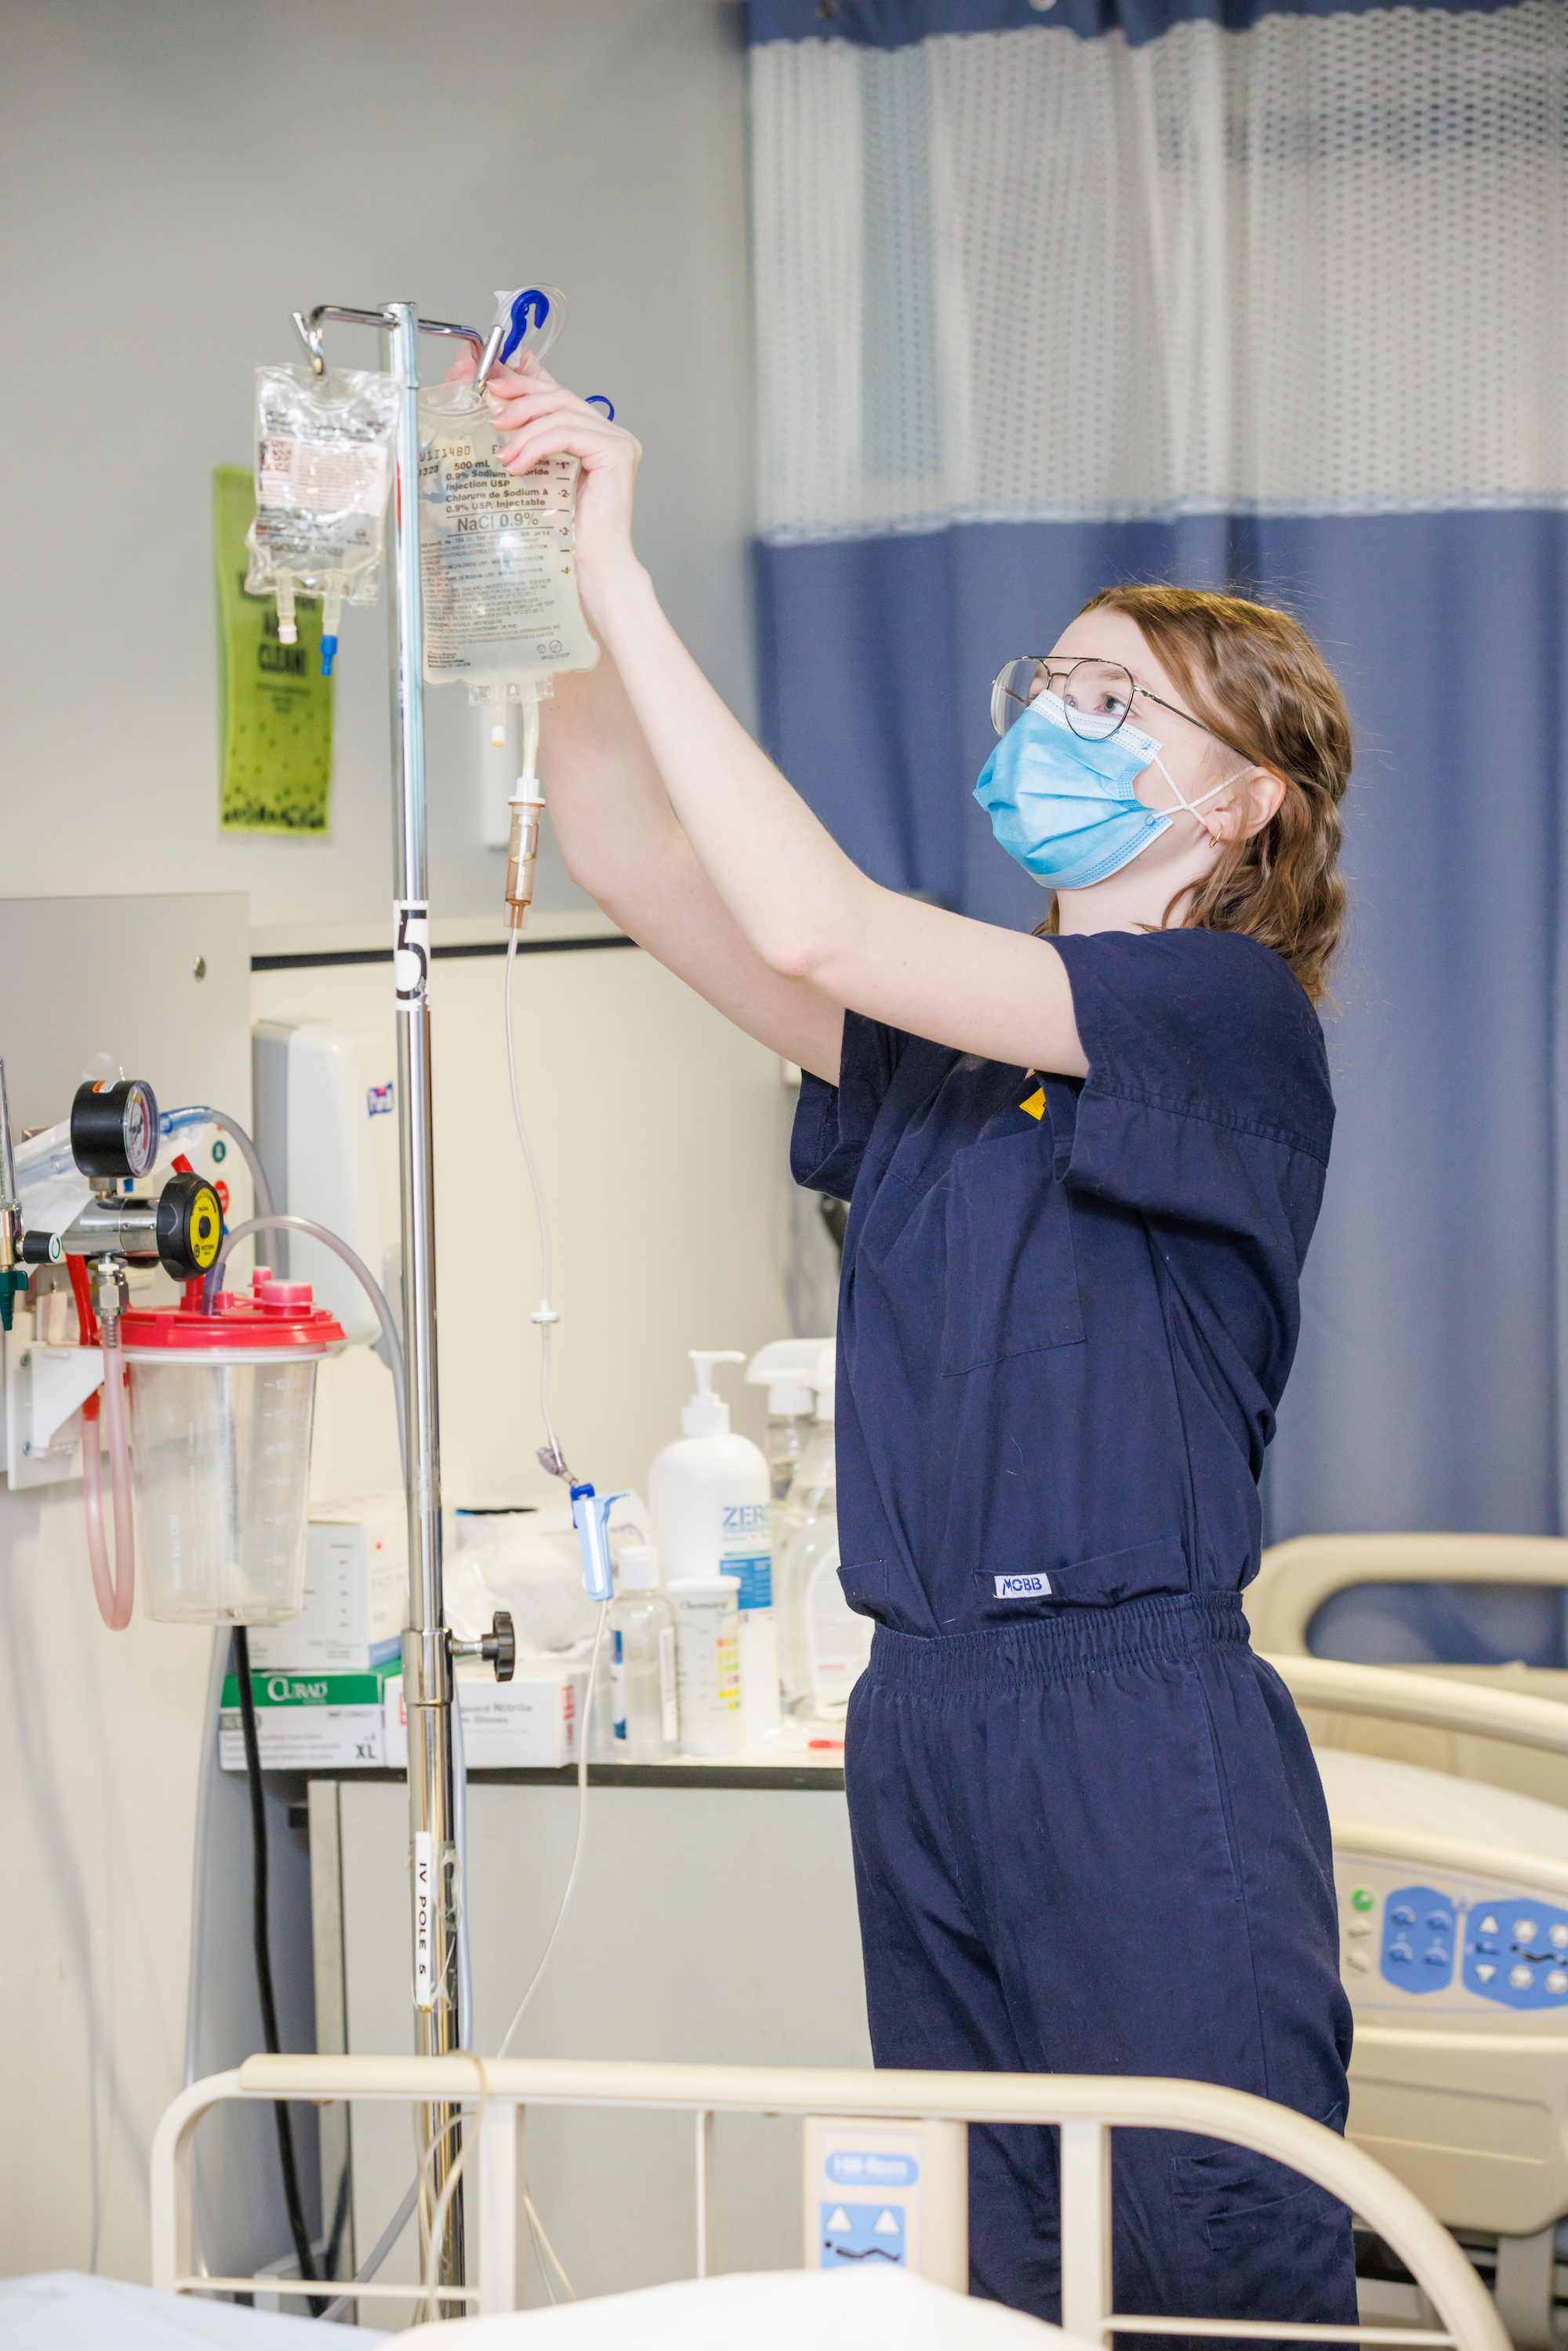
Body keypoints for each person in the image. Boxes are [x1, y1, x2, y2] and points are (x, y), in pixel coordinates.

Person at [469, 351, 1357, 2331]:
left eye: (1113, 700)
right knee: (989, 2275)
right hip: (928, 1713)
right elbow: (632, 857)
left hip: (1131, 1723)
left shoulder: (1221, 1016)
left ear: (1244, 799)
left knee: (1206, 2254)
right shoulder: (941, 1048)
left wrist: (627, 558)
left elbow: (816, 925)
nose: (1055, 716)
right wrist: (527, 554)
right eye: (1044, 686)